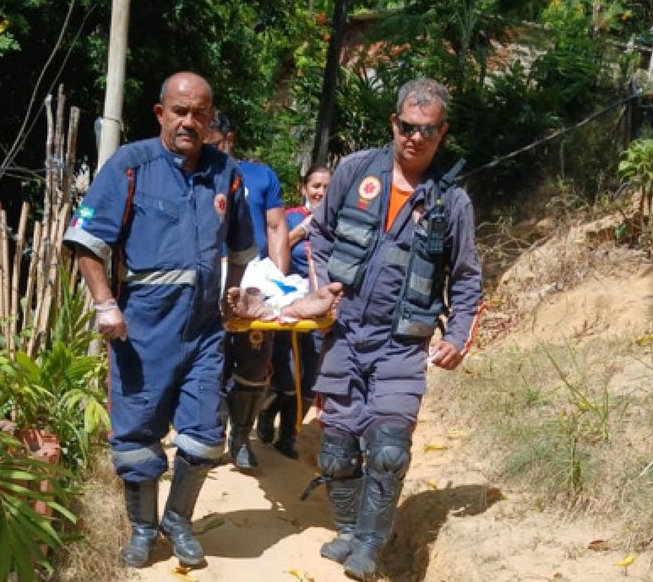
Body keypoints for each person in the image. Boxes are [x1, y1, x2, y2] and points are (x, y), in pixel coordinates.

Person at [63, 72, 256, 569]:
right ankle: (144, 530)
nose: (189, 121)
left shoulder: (226, 173)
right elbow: (86, 242)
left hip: (204, 331)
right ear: (161, 113)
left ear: (211, 119)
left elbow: (240, 246)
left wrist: (233, 291)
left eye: (200, 113)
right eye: (180, 111)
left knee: (203, 436)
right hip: (143, 330)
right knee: (137, 437)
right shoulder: (131, 166)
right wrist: (105, 302)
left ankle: (178, 520)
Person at [305, 77, 484, 581]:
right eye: (408, 127)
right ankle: (345, 529)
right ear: (394, 124)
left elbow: (467, 277)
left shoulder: (453, 202)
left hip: (402, 344)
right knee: (337, 447)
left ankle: (370, 544)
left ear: (441, 132)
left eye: (427, 130)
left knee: (387, 448)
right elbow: (318, 232)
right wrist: (322, 292)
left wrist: (457, 336)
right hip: (342, 332)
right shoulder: (355, 170)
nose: (415, 138)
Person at [206, 110, 290, 471]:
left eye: (214, 141)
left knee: (255, 360)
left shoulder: (260, 175)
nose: (208, 147)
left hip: (254, 280)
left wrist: (280, 286)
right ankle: (210, 437)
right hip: (209, 277)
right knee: (210, 359)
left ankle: (240, 438)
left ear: (229, 138)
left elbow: (276, 228)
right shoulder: (190, 175)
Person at [258, 165, 333, 459]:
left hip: (323, 312)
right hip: (289, 308)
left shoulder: (339, 221)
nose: (321, 192)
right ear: (304, 188)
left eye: (327, 187)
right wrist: (304, 229)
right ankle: (265, 413)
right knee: (289, 375)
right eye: (316, 186)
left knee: (312, 379)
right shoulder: (289, 217)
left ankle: (288, 435)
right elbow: (271, 252)